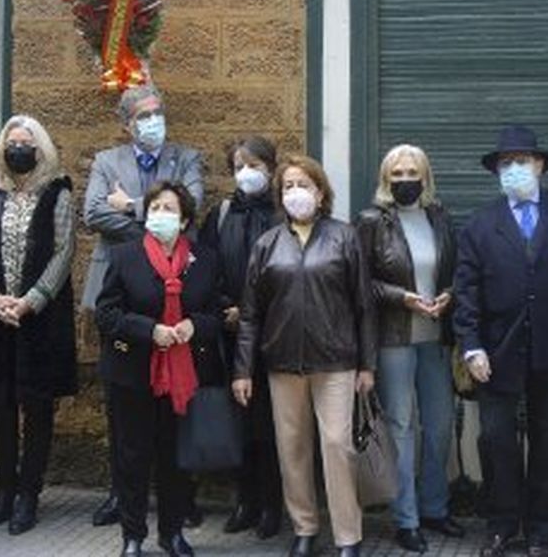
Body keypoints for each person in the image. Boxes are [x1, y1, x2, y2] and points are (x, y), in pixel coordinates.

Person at [453, 125, 548, 557]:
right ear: (496, 171)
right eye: (506, 163)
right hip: (495, 352)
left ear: (540, 166)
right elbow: (466, 291)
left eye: (522, 162)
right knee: (497, 441)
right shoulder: (480, 223)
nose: (514, 169)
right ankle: (501, 524)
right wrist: (471, 345)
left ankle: (542, 529)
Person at [233, 154, 377, 557]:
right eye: (288, 186)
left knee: (337, 446)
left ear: (320, 191)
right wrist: (242, 370)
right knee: (292, 448)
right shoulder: (267, 244)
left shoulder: (344, 237)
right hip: (282, 364)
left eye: (304, 185)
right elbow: (249, 315)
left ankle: (349, 535)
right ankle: (305, 527)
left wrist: (368, 364)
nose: (296, 192)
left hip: (336, 362)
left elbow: (364, 305)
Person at [83, 84, 206, 527]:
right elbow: (94, 214)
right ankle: (122, 494)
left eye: (158, 112)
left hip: (175, 295)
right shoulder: (106, 161)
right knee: (123, 403)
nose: (153, 120)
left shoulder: (186, 157)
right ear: (127, 123)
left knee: (178, 399)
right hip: (120, 291)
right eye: (143, 115)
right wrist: (156, 227)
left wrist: (132, 206)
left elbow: (192, 206)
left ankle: (181, 498)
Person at [0, 115, 78, 535]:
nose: (18, 148)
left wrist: (30, 301)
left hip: (40, 318)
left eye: (26, 142)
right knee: (1, 403)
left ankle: (30, 491)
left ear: (40, 147)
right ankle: (4, 487)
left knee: (38, 405)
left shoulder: (57, 188)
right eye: (12, 142)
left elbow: (64, 252)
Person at [96, 181, 225, 557]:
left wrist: (194, 325)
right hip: (133, 374)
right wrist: (148, 330)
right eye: (154, 208)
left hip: (186, 375)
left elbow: (218, 312)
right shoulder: (124, 256)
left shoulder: (205, 260)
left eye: (169, 209)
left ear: (184, 219)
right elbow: (106, 313)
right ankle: (132, 536)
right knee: (132, 456)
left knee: (177, 458)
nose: (160, 215)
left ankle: (172, 533)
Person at [356, 144, 463, 553]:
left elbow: (454, 270)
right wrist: (402, 297)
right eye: (396, 174)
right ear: (386, 179)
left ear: (425, 176)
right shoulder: (371, 222)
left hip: (436, 337)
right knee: (400, 427)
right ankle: (407, 518)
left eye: (411, 173)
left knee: (437, 427)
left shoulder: (439, 216)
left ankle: (436, 507)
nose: (405, 181)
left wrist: (449, 294)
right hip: (394, 339)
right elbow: (361, 281)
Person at [197, 136, 284, 541]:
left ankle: (273, 503)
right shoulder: (222, 214)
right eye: (238, 166)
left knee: (272, 425)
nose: (246, 173)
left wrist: (258, 315)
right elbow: (205, 268)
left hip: (276, 337)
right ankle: (244, 500)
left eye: (254, 164)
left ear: (271, 167)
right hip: (231, 335)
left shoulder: (284, 213)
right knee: (240, 422)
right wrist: (225, 308)